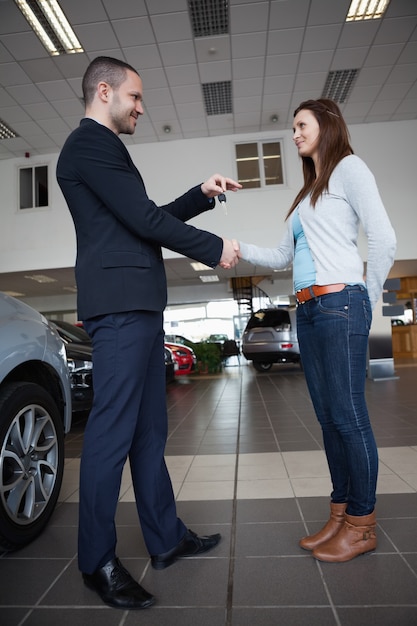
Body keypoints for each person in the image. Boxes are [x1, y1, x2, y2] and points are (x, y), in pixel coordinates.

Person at [56, 56, 241, 610]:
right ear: (104, 91)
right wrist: (214, 249)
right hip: (118, 310)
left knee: (148, 434)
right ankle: (96, 561)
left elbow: (142, 215)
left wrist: (199, 194)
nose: (141, 107)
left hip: (136, 306)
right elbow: (143, 220)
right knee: (111, 438)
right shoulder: (88, 143)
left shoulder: (103, 149)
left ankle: (164, 539)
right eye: (135, 97)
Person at [236, 98, 396, 563]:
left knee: (349, 416)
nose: (294, 134)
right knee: (328, 419)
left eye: (300, 125)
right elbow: (282, 257)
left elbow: (384, 238)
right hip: (307, 310)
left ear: (325, 125)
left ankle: (362, 524)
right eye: (292, 127)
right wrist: (235, 246)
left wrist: (366, 295)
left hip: (340, 302)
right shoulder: (308, 195)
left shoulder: (350, 169)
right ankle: (340, 513)